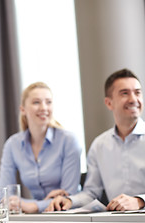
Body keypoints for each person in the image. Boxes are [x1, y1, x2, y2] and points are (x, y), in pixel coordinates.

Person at [46, 68, 145, 212]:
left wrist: (139, 200)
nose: (133, 99)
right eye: (125, 93)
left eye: (137, 92)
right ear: (109, 103)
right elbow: (91, 193)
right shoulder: (99, 145)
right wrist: (69, 201)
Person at [0, 82, 81, 213]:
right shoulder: (12, 145)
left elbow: (69, 196)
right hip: (37, 217)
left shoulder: (69, 141)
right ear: (23, 109)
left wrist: (33, 206)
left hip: (67, 214)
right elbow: (3, 195)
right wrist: (40, 204)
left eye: (48, 102)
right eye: (36, 102)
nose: (44, 108)